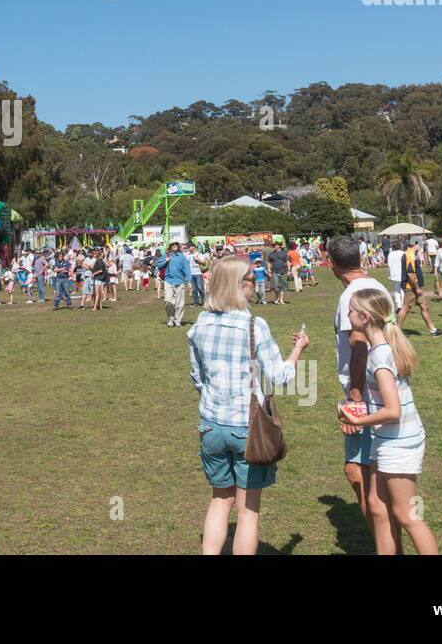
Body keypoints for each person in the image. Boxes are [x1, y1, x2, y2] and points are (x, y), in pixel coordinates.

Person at [186, 254, 309, 555]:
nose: (256, 284)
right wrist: (298, 350)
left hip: (211, 424)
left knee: (220, 499)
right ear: (239, 285)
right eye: (252, 280)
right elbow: (280, 377)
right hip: (247, 426)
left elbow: (197, 377)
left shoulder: (200, 323)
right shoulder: (254, 324)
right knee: (248, 509)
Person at [337, 289, 439, 554]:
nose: (346, 315)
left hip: (400, 442)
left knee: (406, 515)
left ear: (364, 317)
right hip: (384, 438)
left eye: (350, 311)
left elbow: (393, 410)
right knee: (376, 506)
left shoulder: (379, 356)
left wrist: (358, 419)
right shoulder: (379, 348)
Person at [324, 235, 396, 552]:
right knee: (378, 475)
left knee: (358, 471)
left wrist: (355, 399)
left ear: (332, 264)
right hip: (387, 387)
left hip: (365, 393)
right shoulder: (377, 287)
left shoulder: (349, 297)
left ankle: (386, 545)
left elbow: (358, 346)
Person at [396, 239, 442, 338]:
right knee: (406, 307)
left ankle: (433, 331)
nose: (422, 247)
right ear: (415, 244)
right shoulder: (409, 255)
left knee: (424, 306)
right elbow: (410, 274)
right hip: (410, 287)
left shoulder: (412, 254)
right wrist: (417, 288)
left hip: (415, 287)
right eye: (421, 245)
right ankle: (397, 331)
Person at [158, 242, 190, 327]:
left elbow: (187, 269)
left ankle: (177, 320)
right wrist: (165, 261)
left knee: (180, 303)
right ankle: (171, 317)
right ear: (171, 247)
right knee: (168, 301)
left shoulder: (182, 257)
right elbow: (159, 265)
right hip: (168, 280)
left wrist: (189, 281)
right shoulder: (166, 255)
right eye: (173, 245)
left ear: (178, 247)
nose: (175, 246)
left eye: (176, 245)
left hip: (180, 281)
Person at [386, 238, 405, 308]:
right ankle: (403, 304)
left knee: (396, 290)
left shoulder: (391, 254)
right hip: (402, 274)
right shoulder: (403, 253)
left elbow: (389, 264)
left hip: (394, 274)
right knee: (403, 289)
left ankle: (398, 305)